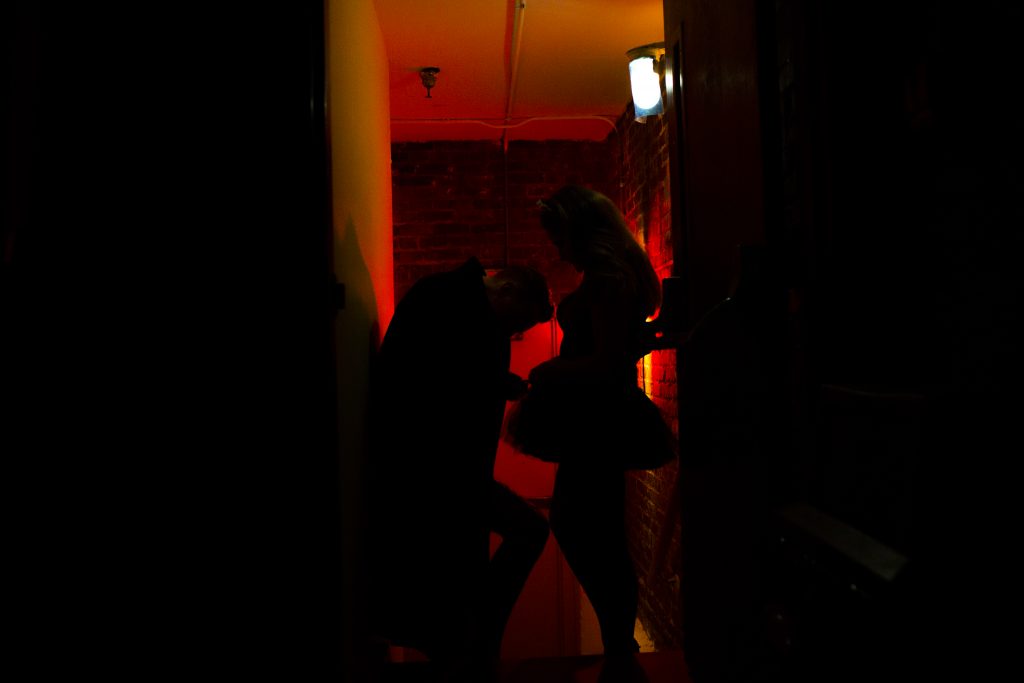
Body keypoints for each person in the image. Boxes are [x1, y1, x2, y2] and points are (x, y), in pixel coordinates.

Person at [503, 185, 675, 680]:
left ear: (581, 231)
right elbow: (616, 351)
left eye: (559, 236)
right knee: (592, 529)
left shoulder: (606, 280)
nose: (558, 248)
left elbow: (603, 362)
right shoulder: (612, 278)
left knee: (584, 528)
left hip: (597, 417)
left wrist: (549, 373)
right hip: (597, 416)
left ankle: (619, 646)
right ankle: (618, 645)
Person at [364, 257, 554, 681]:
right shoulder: (447, 300)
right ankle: (478, 638)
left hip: (437, 470)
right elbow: (430, 384)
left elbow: (441, 373)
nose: (513, 332)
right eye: (516, 322)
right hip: (433, 470)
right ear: (505, 291)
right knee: (525, 534)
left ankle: (473, 640)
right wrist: (498, 383)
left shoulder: (446, 298)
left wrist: (496, 381)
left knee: (451, 591)